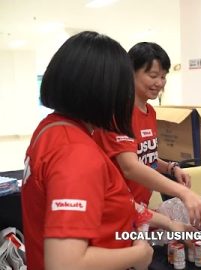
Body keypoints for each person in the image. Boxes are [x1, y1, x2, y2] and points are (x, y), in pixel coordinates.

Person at [21, 31, 153, 270]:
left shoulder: (51, 128)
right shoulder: (76, 153)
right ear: (105, 90)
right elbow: (65, 263)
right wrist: (139, 254)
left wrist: (162, 221)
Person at [92, 42, 201, 228]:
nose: (159, 83)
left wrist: (171, 168)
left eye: (163, 76)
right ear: (130, 73)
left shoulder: (150, 111)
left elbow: (145, 157)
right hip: (116, 212)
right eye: (153, 75)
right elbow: (130, 166)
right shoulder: (118, 112)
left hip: (140, 210)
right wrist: (182, 192)